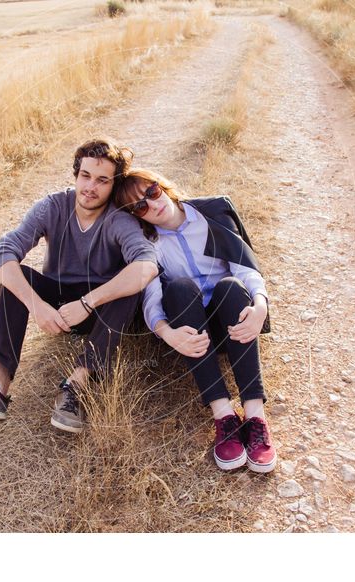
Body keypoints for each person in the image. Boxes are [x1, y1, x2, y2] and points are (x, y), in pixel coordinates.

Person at [0, 138, 158, 433]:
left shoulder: (118, 219)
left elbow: (146, 265)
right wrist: (36, 305)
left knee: (132, 286)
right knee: (20, 276)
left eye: (102, 180)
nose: (91, 187)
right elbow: (3, 252)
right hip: (58, 303)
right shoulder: (53, 206)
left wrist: (87, 303)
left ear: (113, 186)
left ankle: (77, 387)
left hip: (101, 312)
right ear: (76, 174)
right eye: (86, 176)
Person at [114, 169, 276, 473]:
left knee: (230, 285)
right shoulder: (148, 245)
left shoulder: (212, 213)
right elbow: (151, 300)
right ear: (137, 217)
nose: (151, 204)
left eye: (151, 192)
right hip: (191, 328)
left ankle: (255, 415)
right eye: (139, 206)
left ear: (162, 186)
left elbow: (245, 269)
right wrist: (165, 333)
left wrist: (260, 307)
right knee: (177, 288)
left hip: (232, 321)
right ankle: (223, 415)